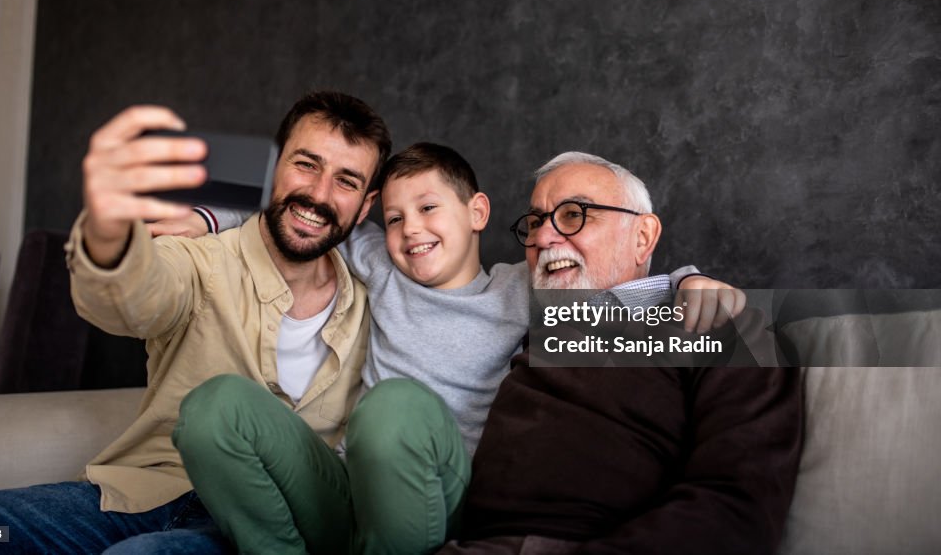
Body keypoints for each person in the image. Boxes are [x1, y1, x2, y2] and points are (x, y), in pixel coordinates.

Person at [169, 143, 744, 555]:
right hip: (347, 487)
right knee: (214, 407)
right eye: (393, 218)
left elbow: (621, 285)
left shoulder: (523, 286)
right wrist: (204, 215)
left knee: (395, 405)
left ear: (477, 213)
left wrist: (691, 278)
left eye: (427, 209)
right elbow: (308, 216)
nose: (410, 230)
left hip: (435, 494)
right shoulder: (380, 265)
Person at [0, 90, 391, 554]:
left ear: (366, 205)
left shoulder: (378, 308)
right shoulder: (199, 259)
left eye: (346, 181)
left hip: (258, 523)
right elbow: (135, 298)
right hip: (143, 495)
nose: (318, 193)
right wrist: (109, 233)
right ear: (274, 170)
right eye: (305, 164)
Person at [436, 152, 803, 555]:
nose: (542, 238)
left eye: (574, 214)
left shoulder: (726, 328)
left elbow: (736, 507)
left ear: (642, 238)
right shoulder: (523, 328)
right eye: (536, 221)